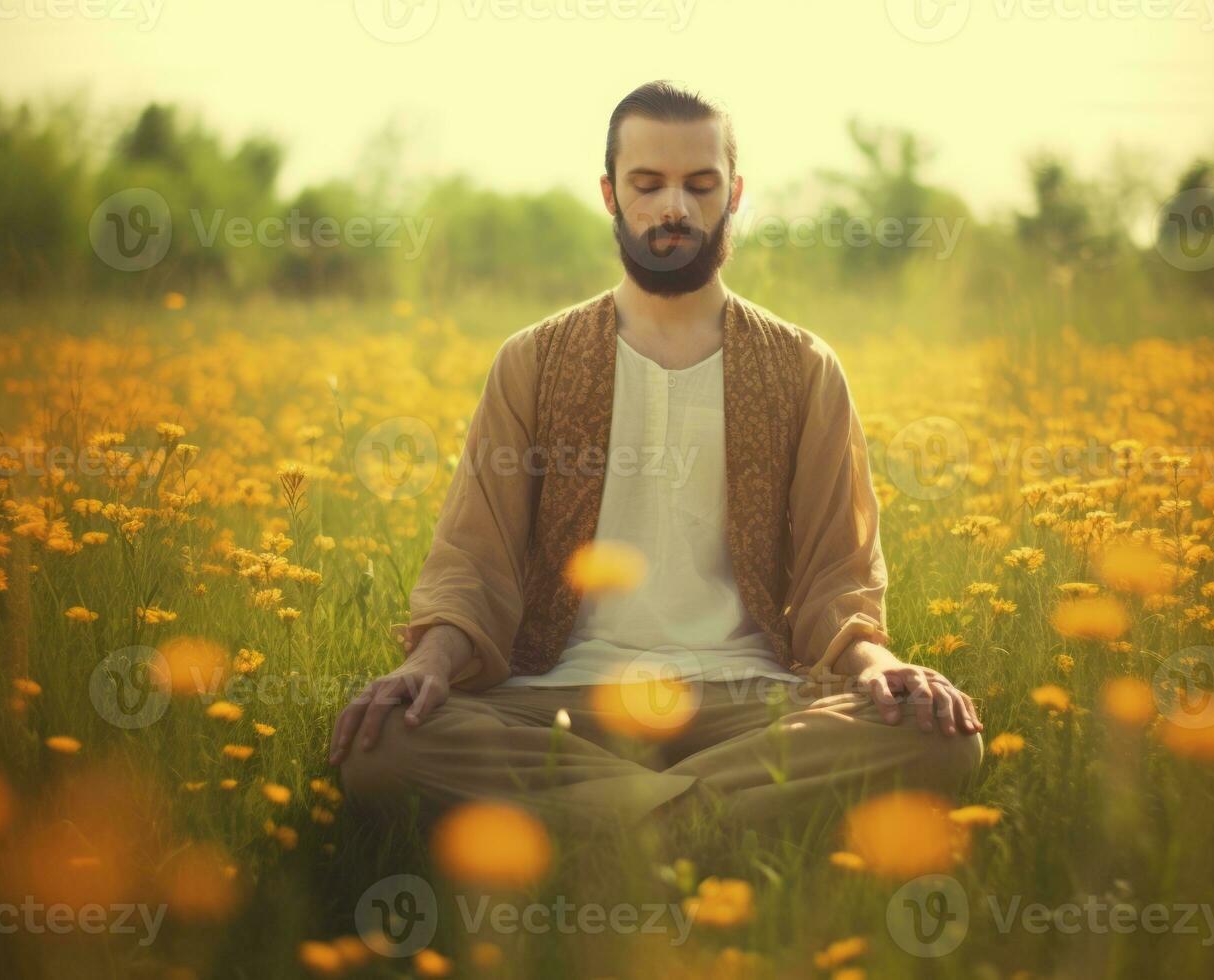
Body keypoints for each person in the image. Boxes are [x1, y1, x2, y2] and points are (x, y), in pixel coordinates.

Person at [330, 80, 983, 832]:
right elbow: (473, 563)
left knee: (941, 744)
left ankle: (610, 818)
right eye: (648, 184)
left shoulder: (801, 366)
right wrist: (425, 667)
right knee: (379, 749)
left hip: (749, 696)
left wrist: (878, 668)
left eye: (699, 184)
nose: (674, 206)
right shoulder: (534, 360)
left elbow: (840, 573)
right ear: (610, 194)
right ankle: (701, 817)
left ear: (733, 192)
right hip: (564, 699)